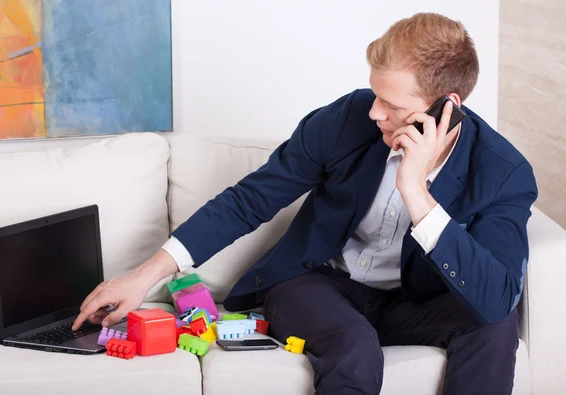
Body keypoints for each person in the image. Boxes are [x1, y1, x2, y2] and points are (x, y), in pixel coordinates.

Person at [73, 13, 538, 395]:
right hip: (321, 286)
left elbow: (496, 297)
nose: (375, 111)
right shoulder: (348, 119)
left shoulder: (502, 173)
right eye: (375, 94)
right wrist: (143, 277)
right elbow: (250, 200)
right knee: (356, 350)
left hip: (416, 303)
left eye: (391, 104)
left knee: (494, 329)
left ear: (446, 107)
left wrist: (416, 190)